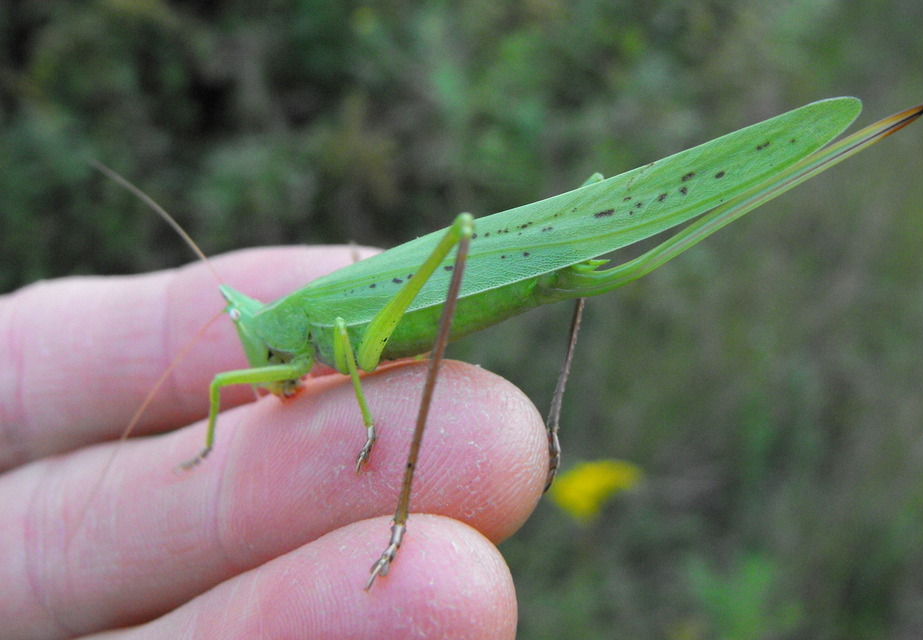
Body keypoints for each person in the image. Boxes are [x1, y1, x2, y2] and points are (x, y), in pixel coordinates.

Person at [0, 245, 546, 639]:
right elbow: (229, 382)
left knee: (454, 240)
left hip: (420, 307)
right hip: (389, 323)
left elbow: (342, 344)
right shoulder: (281, 332)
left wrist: (370, 426)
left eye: (258, 337)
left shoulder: (303, 329)